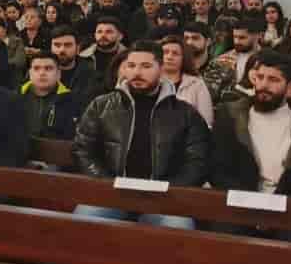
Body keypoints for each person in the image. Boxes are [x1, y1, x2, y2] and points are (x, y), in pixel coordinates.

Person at [72, 42, 211, 227]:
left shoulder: (185, 113)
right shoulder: (101, 106)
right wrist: (107, 183)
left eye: (146, 66)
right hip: (112, 195)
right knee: (82, 222)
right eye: (131, 66)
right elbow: (83, 150)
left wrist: (168, 190)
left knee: (179, 227)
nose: (137, 72)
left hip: (163, 200)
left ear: (161, 69)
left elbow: (197, 161)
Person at [209, 50, 291, 203]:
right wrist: (248, 200)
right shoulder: (229, 116)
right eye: (260, 77)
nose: (263, 85)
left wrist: (287, 204)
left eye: (273, 80)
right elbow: (217, 169)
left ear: (290, 87)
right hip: (240, 203)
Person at [20, 52, 80, 141]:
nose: (42, 73)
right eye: (36, 68)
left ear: (59, 74)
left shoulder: (71, 101)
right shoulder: (15, 97)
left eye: (48, 68)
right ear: (30, 73)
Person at [161, 36, 214, 127]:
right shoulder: (151, 81)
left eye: (175, 53)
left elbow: (206, 121)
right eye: (165, 52)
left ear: (184, 58)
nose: (169, 57)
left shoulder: (196, 84)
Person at [82, 15, 128, 85]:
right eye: (99, 32)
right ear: (95, 35)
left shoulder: (129, 58)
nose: (103, 35)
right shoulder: (83, 57)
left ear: (120, 36)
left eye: (109, 32)